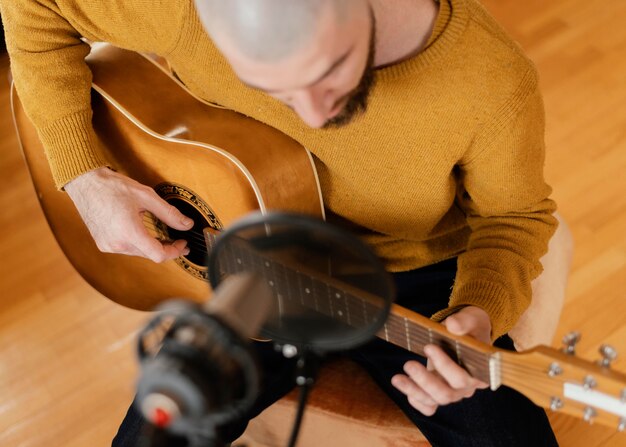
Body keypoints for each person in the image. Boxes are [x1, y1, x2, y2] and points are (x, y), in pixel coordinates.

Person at [0, 0, 571, 445]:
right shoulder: (186, 12)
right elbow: (33, 8)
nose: (316, 116)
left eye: (330, 71)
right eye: (271, 89)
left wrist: (479, 311)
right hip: (255, 253)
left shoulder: (490, 81)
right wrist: (82, 173)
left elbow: (515, 217)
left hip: (417, 276)